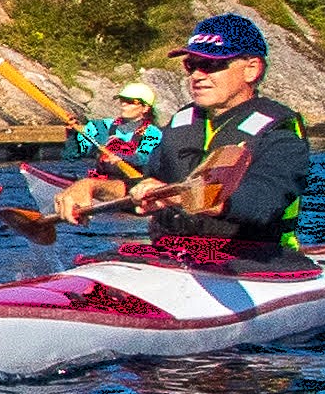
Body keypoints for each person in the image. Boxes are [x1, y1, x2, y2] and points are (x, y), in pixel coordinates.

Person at [57, 14, 310, 267]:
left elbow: (262, 202)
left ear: (251, 69)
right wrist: (92, 187)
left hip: (254, 259)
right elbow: (146, 186)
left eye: (211, 64)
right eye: (191, 65)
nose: (197, 76)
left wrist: (178, 196)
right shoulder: (183, 121)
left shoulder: (280, 129)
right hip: (173, 256)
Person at [69, 81, 162, 167]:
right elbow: (72, 154)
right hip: (101, 177)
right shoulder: (103, 126)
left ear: (145, 108)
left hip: (132, 181)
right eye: (122, 100)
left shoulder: (153, 133)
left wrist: (125, 158)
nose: (124, 104)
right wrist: (73, 134)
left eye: (131, 102)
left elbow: (145, 159)